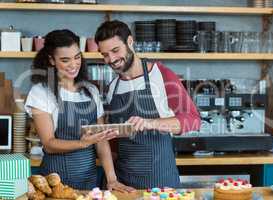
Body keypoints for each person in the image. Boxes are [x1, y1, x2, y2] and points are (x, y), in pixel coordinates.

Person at [94, 20, 201, 189]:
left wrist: (151, 123)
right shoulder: (112, 87)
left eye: (115, 50)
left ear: (130, 42)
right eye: (105, 55)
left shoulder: (162, 75)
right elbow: (113, 141)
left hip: (159, 179)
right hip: (123, 182)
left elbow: (193, 120)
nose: (111, 59)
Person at [25, 29, 134, 192]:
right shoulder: (41, 93)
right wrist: (83, 143)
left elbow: (101, 139)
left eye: (77, 57)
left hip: (89, 183)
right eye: (65, 60)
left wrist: (112, 179)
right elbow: (49, 144)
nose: (73, 65)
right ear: (51, 60)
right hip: (55, 184)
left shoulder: (90, 91)